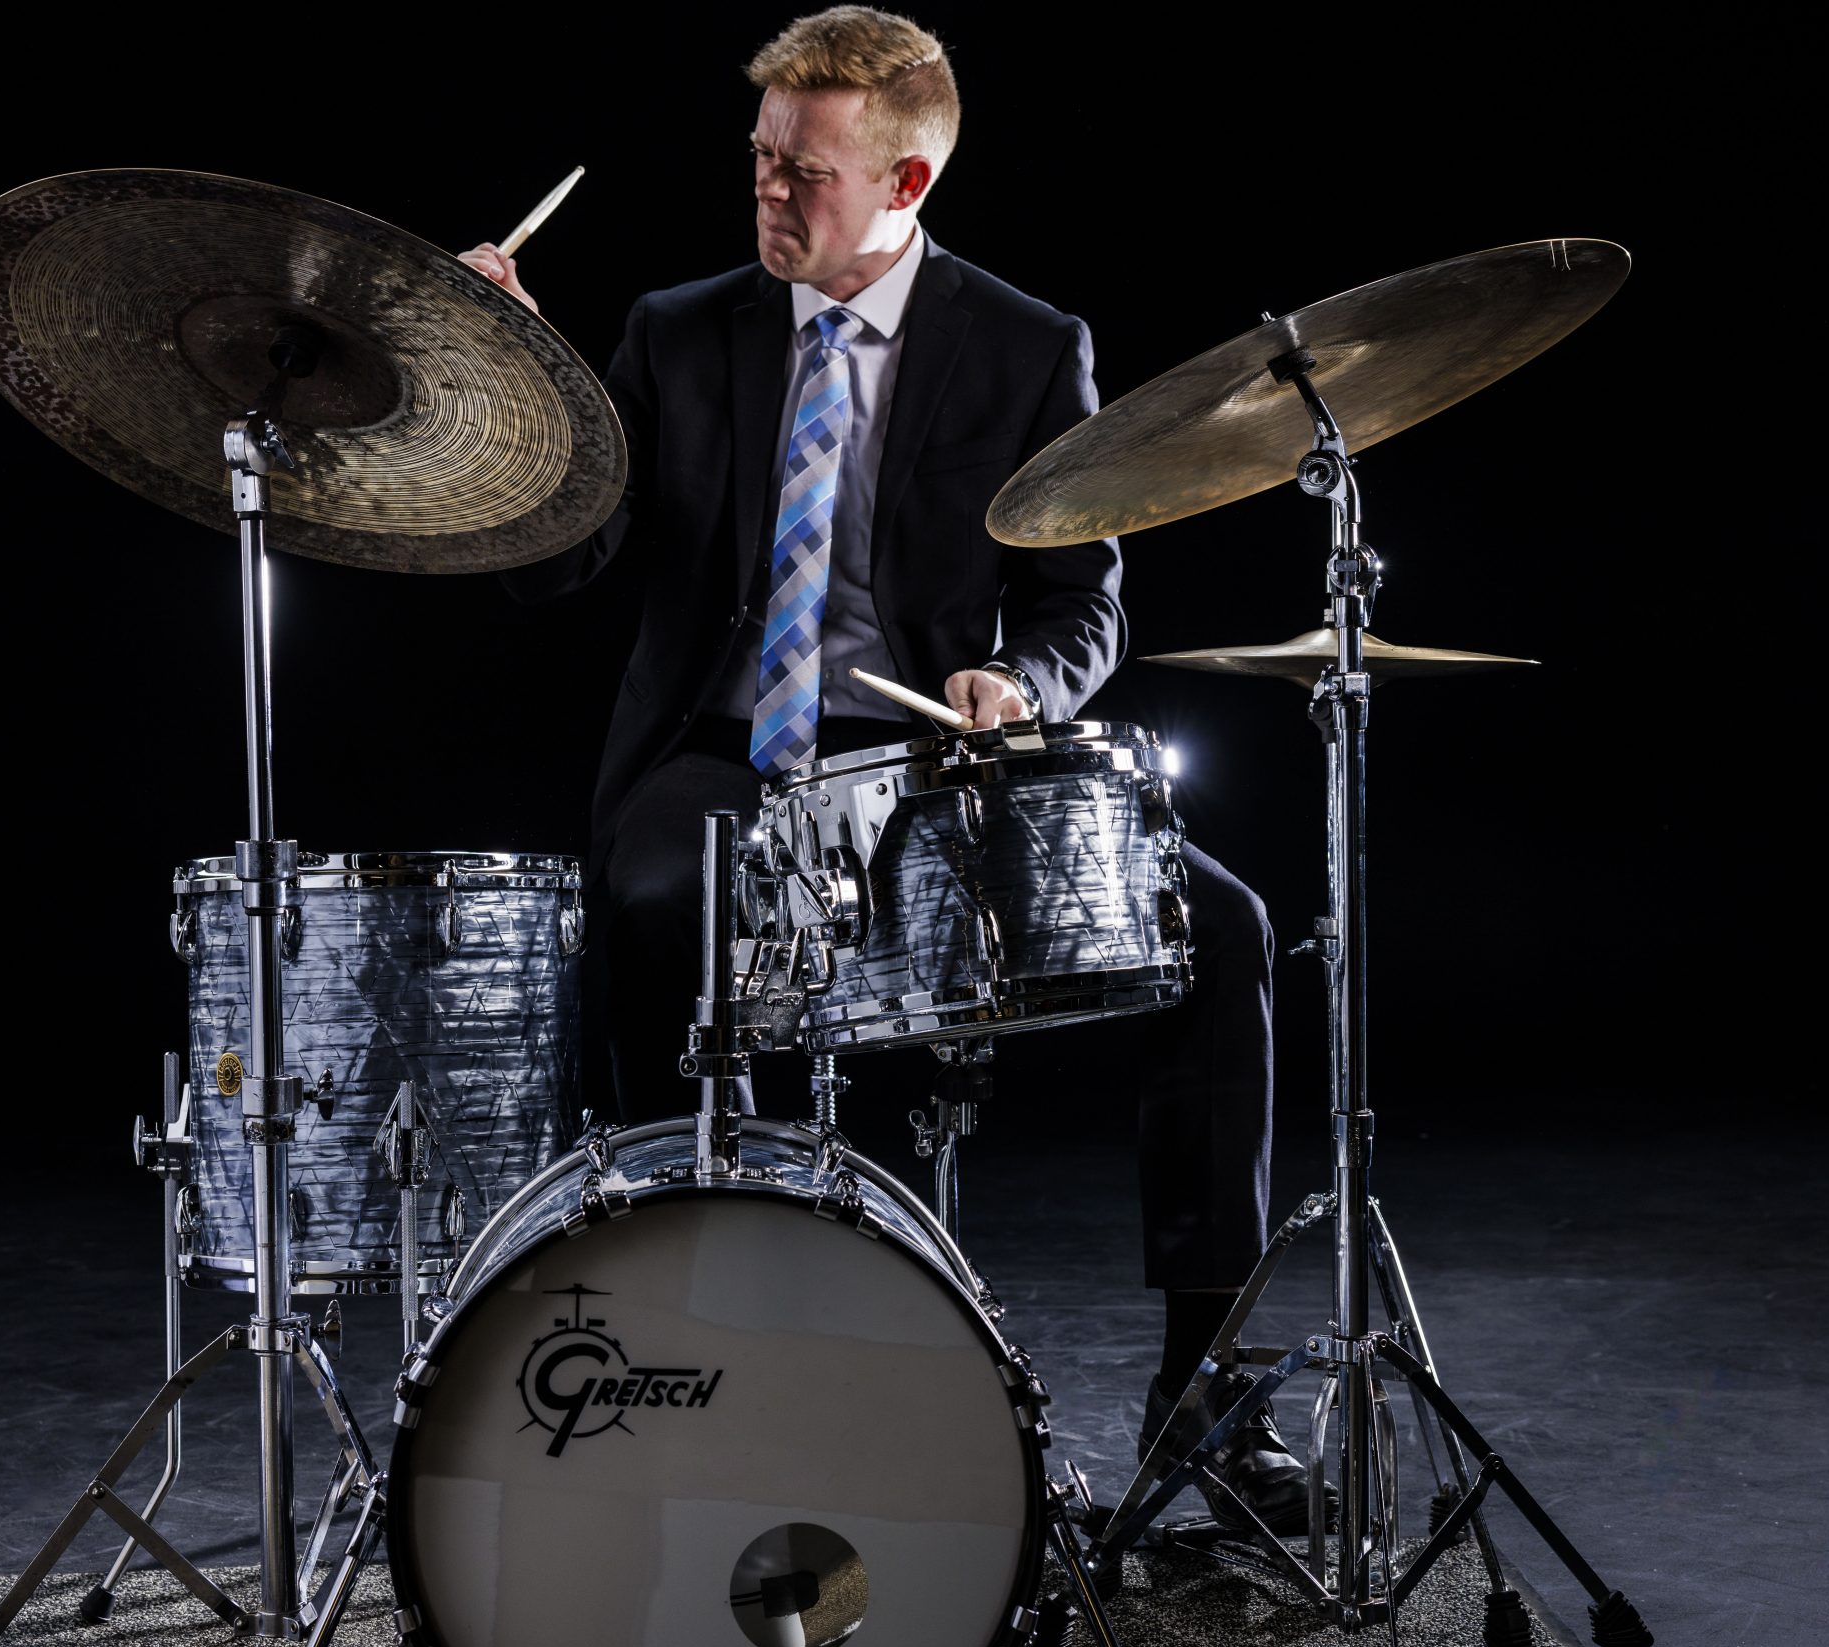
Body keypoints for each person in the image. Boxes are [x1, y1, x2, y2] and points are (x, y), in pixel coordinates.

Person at [469, 5, 1332, 1536]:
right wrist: (509, 389)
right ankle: (672, 1356)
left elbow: (1084, 604)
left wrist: (1023, 681)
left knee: (1230, 936)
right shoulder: (679, 331)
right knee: (654, 898)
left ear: (910, 182)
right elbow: (563, 571)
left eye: (804, 170)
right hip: (725, 754)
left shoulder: (1022, 344)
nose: (767, 192)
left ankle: (1207, 1387)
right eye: (759, 160)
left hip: (928, 762)